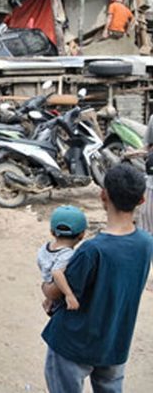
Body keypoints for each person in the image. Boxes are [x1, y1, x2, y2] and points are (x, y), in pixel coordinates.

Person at [42, 163, 153, 393]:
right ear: (142, 200)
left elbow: (55, 292)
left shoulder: (92, 250)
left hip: (73, 344)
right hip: (114, 341)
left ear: (103, 195)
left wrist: (45, 284)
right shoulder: (146, 243)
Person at [37, 206, 87, 315]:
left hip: (48, 285)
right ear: (82, 235)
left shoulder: (44, 248)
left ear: (52, 232)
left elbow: (44, 268)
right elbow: (57, 272)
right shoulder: (68, 255)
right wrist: (69, 295)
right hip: (59, 293)